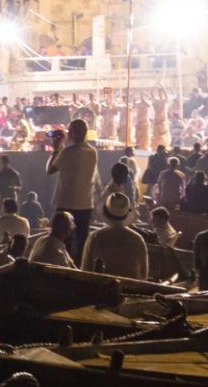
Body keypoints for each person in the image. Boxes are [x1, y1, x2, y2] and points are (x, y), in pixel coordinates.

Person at [46, 118, 98, 262]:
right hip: (86, 204)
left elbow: (50, 169)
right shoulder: (92, 152)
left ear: (73, 133)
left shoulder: (68, 151)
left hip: (66, 203)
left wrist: (56, 148)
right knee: (82, 243)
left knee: (63, 244)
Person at [80, 192, 149, 279]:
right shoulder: (138, 240)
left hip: (99, 289)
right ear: (127, 214)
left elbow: (85, 271)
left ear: (105, 212)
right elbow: (144, 276)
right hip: (131, 290)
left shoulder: (95, 237)